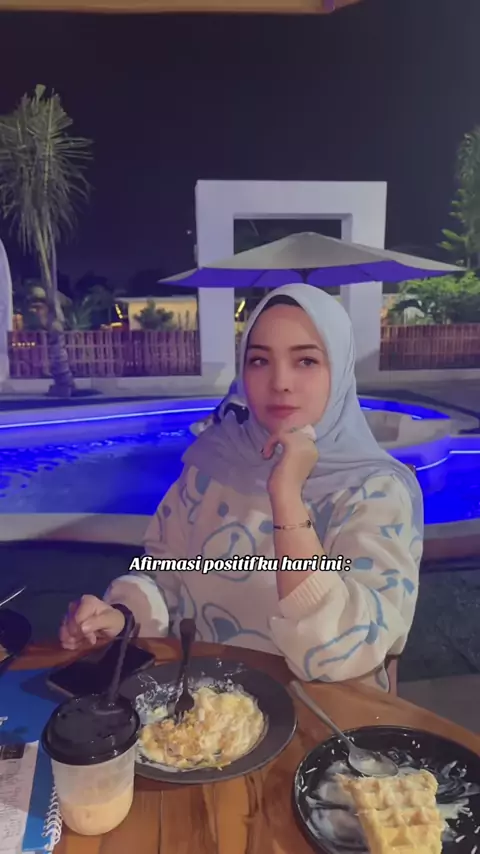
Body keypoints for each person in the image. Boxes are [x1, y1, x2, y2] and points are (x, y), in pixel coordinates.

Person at [60, 283, 423, 692]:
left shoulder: (375, 492)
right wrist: (122, 616)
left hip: (323, 714)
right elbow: (167, 577)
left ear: (339, 371)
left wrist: (286, 496)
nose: (280, 382)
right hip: (206, 708)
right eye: (259, 360)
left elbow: (343, 650)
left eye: (306, 360)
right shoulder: (213, 465)